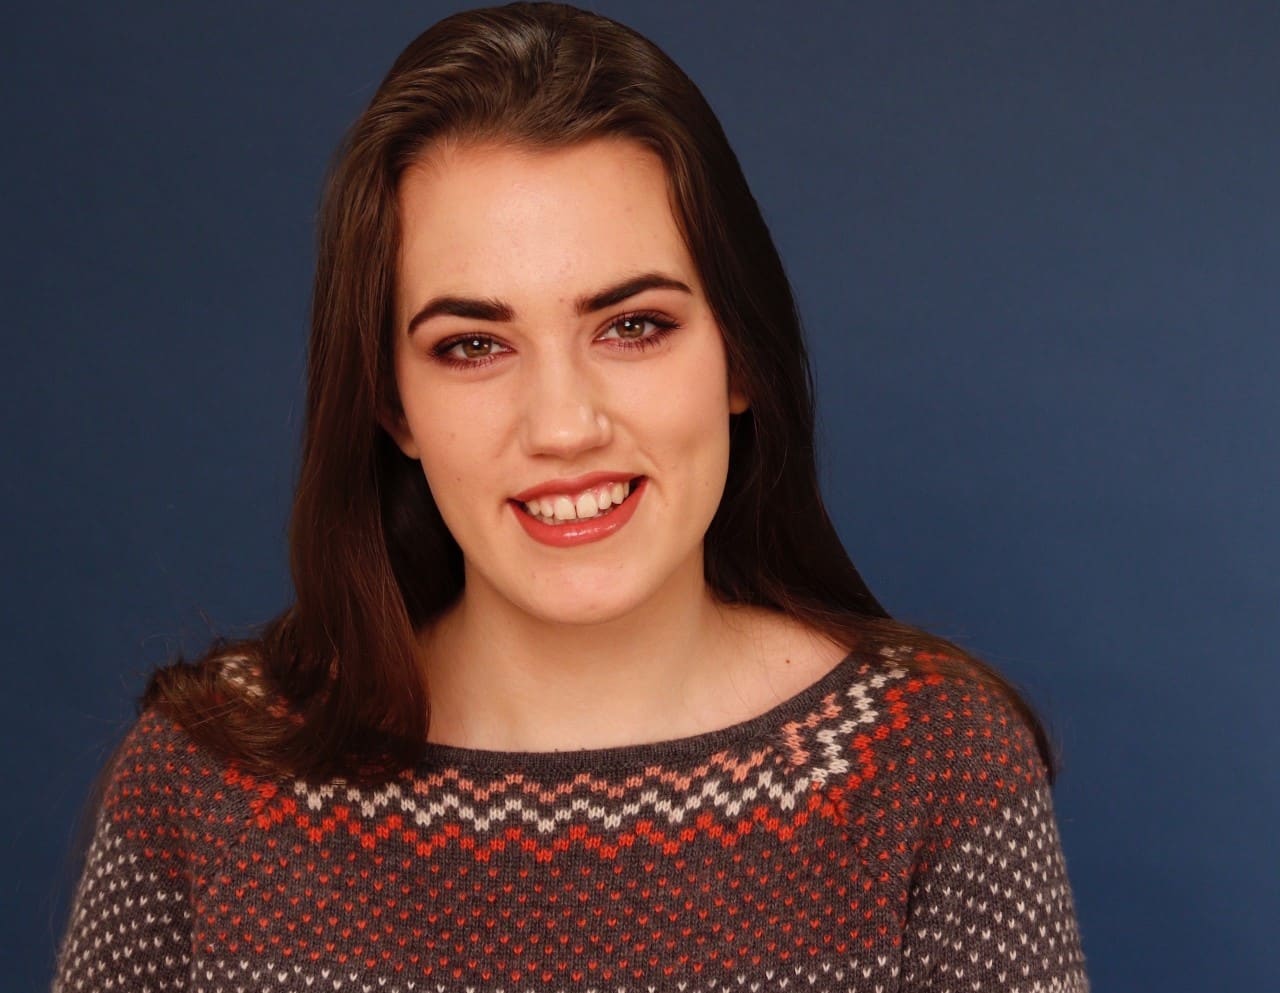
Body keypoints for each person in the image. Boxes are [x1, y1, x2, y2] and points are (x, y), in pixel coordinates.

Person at [53, 4, 1089, 991]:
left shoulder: (931, 767)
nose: (561, 425)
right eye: (470, 346)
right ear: (391, 407)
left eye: (631, 326)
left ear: (741, 358)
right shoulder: (202, 783)